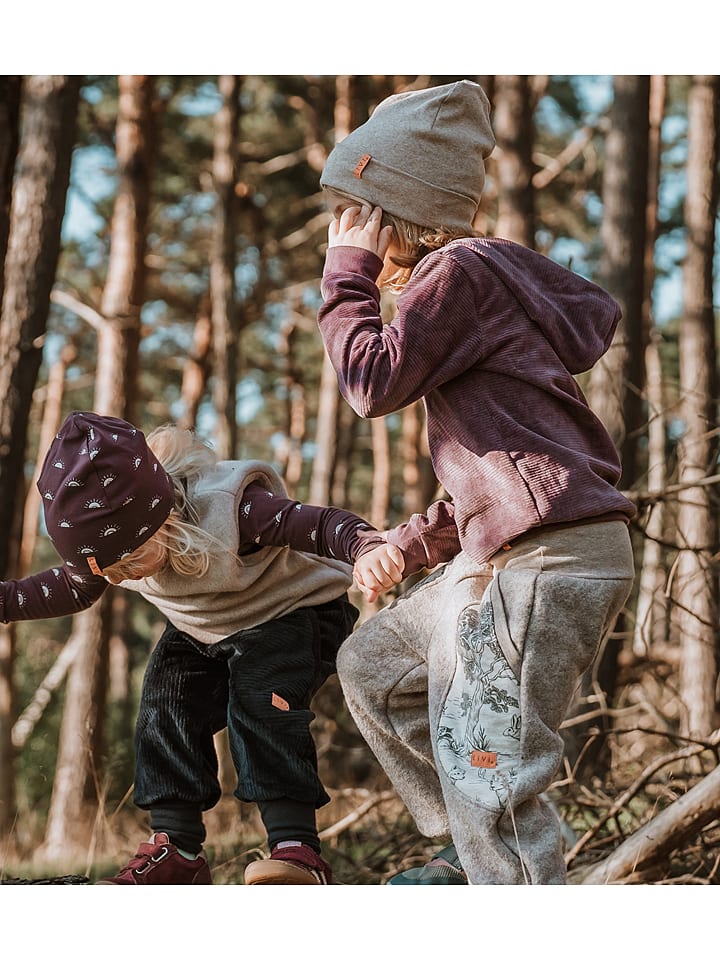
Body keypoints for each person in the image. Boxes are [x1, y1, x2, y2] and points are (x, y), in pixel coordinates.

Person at [317, 79, 637, 884]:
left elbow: (369, 382)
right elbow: (505, 468)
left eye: (354, 210)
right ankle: (471, 858)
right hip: (511, 551)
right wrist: (411, 541)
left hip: (541, 565)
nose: (341, 228)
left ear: (391, 205)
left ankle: (507, 880)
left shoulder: (457, 271)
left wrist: (346, 276)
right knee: (376, 666)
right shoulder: (470, 286)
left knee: (490, 778)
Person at [1, 410, 410, 885]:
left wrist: (366, 547)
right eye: (107, 573)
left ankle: (295, 849)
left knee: (261, 703)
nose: (119, 578)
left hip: (295, 612)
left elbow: (318, 525)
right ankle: (177, 849)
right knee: (163, 702)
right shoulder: (108, 551)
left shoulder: (232, 509)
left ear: (161, 520)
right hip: (207, 629)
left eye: (128, 563)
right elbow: (63, 590)